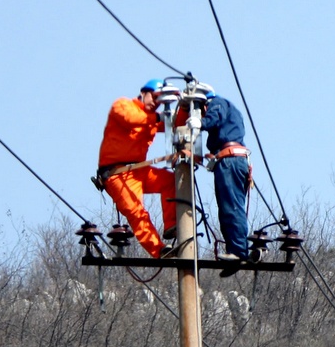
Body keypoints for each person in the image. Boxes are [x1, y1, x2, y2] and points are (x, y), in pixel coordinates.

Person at [97, 79, 178, 258]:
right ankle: (159, 249)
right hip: (117, 173)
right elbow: (131, 120)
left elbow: (176, 122)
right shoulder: (123, 105)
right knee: (136, 212)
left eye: (160, 100)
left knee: (170, 181)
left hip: (138, 170)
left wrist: (187, 106)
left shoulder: (151, 118)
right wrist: (158, 117)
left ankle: (172, 225)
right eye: (154, 97)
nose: (155, 103)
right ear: (143, 93)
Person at [194, 90, 253, 262]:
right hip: (231, 160)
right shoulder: (232, 112)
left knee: (231, 207)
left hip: (230, 161)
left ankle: (239, 251)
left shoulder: (217, 103)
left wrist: (198, 122)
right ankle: (235, 251)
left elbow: (214, 118)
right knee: (228, 208)